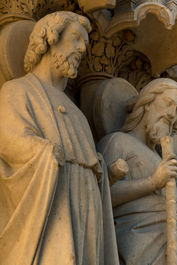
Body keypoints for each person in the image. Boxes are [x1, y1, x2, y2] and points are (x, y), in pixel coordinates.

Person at [0, 11, 118, 265]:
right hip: (51, 200)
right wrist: (45, 152)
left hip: (86, 208)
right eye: (76, 39)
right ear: (50, 38)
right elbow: (9, 141)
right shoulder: (18, 90)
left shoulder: (76, 112)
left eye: (85, 44)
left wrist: (98, 168)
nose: (81, 49)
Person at [98, 78, 177, 264]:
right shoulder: (118, 141)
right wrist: (152, 182)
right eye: (168, 103)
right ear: (147, 103)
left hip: (169, 250)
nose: (172, 114)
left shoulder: (161, 158)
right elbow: (99, 195)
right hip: (130, 245)